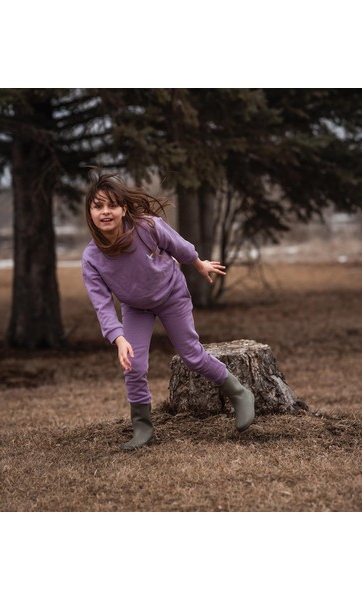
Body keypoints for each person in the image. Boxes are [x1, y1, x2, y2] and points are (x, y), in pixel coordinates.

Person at [82, 170, 255, 450]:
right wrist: (119, 338)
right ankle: (143, 427)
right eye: (98, 206)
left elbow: (178, 245)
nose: (105, 212)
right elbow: (101, 303)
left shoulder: (147, 226)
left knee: (193, 357)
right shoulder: (91, 258)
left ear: (123, 209)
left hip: (171, 294)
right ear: (89, 212)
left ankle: (240, 393)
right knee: (134, 366)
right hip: (136, 307)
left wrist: (198, 263)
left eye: (112, 205)